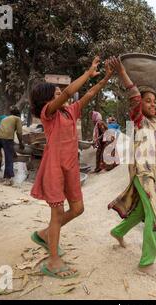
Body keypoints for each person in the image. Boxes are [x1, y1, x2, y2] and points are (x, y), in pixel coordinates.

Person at [29, 56, 114, 279]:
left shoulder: (70, 112)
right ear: (47, 100)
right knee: (56, 213)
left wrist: (105, 77)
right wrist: (87, 72)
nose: (62, 95)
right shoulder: (49, 113)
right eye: (56, 93)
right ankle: (53, 261)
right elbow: (69, 93)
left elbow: (89, 94)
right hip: (54, 167)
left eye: (60, 93)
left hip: (71, 166)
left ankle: (46, 234)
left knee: (78, 209)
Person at [108, 56, 156, 278]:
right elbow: (134, 94)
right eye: (148, 101)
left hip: (152, 173)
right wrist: (121, 72)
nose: (153, 104)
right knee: (154, 214)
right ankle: (146, 263)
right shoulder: (138, 119)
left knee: (140, 211)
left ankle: (118, 232)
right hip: (142, 172)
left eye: (154, 101)